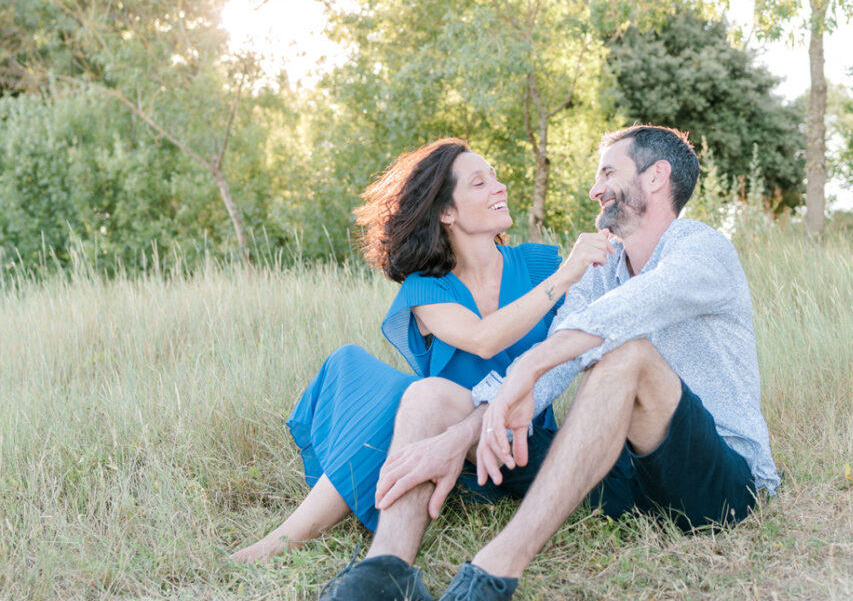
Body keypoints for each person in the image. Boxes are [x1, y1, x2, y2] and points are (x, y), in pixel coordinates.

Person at [267, 125, 781, 601]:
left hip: (721, 484)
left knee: (627, 356)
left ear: (656, 177)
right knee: (430, 397)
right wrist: (458, 436)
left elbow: (617, 319)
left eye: (607, 171)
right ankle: (386, 574)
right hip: (626, 479)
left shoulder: (701, 249)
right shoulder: (602, 270)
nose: (594, 188)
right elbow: (555, 364)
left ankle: (492, 576)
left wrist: (526, 366)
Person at [230, 138, 611, 562]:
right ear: (446, 212)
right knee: (355, 366)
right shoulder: (428, 288)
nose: (500, 187)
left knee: (406, 395)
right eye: (480, 182)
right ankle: (288, 538)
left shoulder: (540, 264)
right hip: (442, 436)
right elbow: (483, 338)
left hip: (516, 440)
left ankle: (284, 540)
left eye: (496, 177)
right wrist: (564, 276)